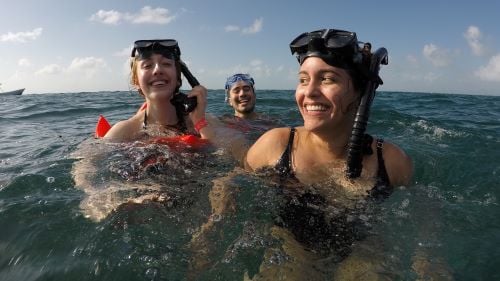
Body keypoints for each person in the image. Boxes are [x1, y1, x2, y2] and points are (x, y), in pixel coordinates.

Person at [242, 28, 414, 279]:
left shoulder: (391, 160)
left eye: (327, 78)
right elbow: (232, 182)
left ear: (360, 93)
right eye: (303, 80)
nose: (309, 92)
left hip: (363, 250)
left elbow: (426, 214)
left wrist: (427, 262)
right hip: (291, 245)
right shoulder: (275, 145)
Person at [104, 39, 214, 143]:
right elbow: (87, 161)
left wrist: (200, 124)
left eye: (166, 64)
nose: (158, 70)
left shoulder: (206, 121)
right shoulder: (125, 131)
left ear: (178, 79)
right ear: (136, 82)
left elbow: (228, 153)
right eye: (147, 66)